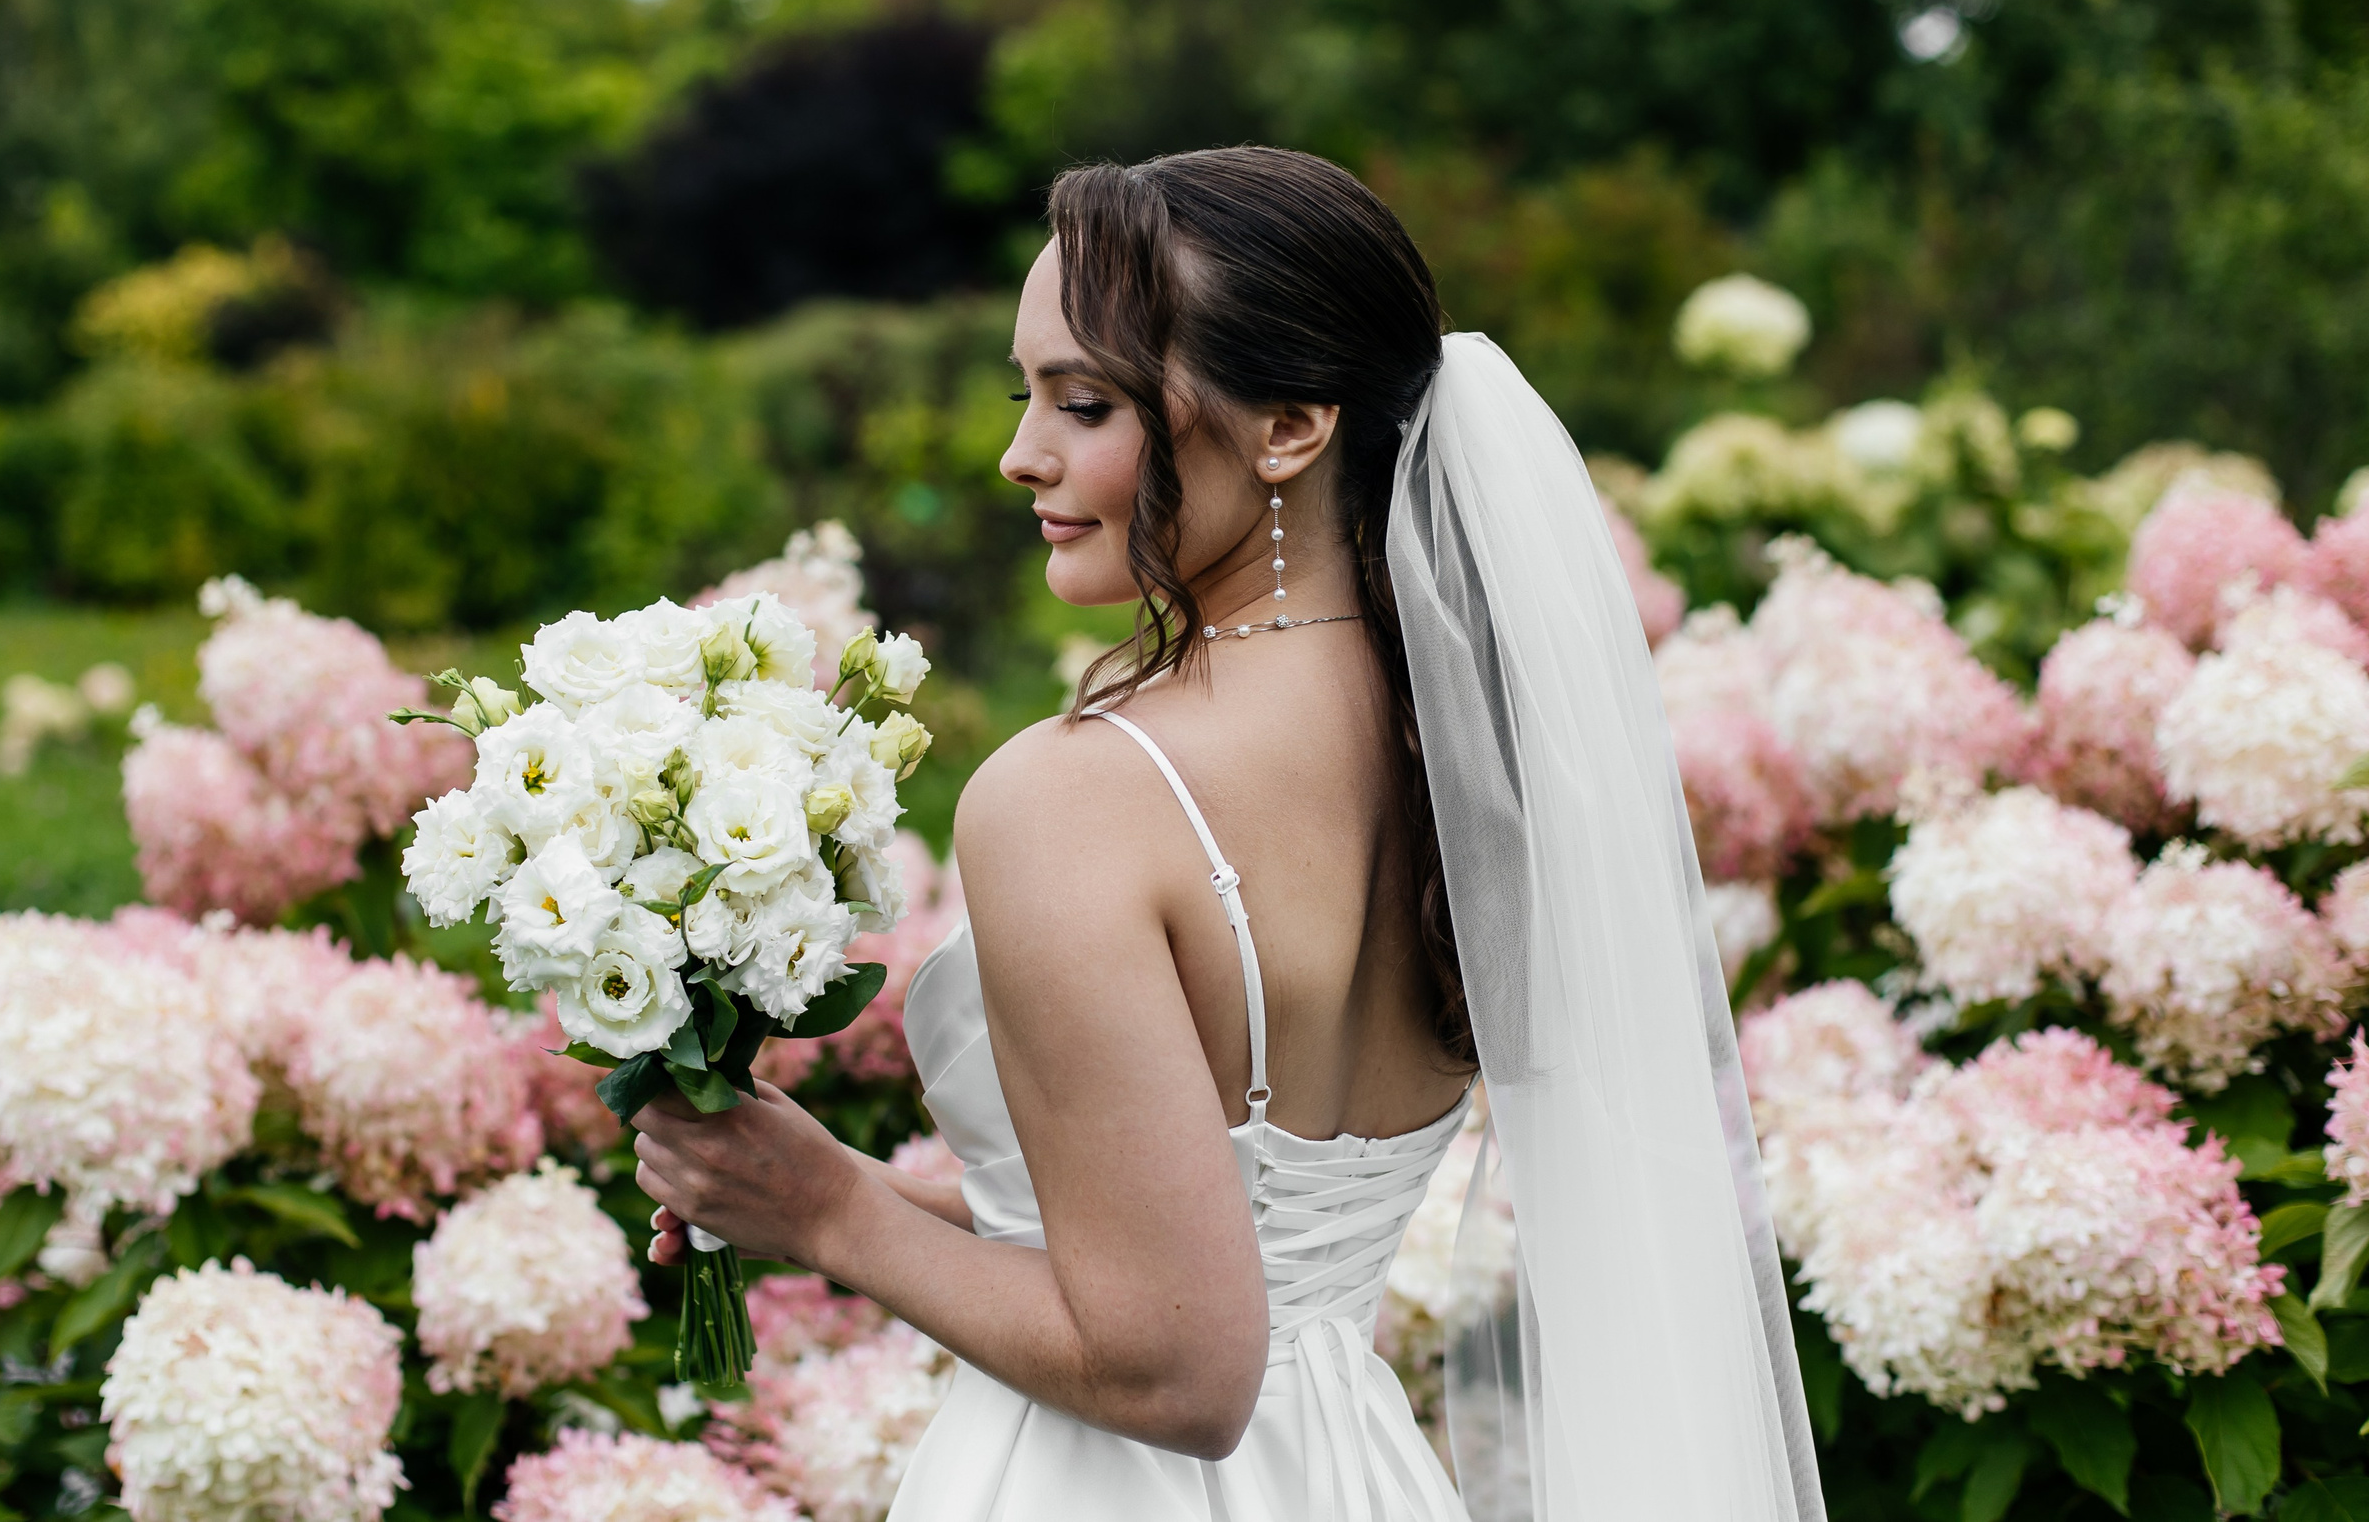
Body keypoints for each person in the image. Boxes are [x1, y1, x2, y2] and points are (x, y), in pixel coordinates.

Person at [628, 147, 1824, 1522]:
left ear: (1291, 427)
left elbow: (1180, 1371)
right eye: (1024, 397)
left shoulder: (1077, 795)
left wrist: (831, 1223)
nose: (1023, 454)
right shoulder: (1461, 745)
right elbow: (1224, 1225)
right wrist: (828, 1181)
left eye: (1084, 403)